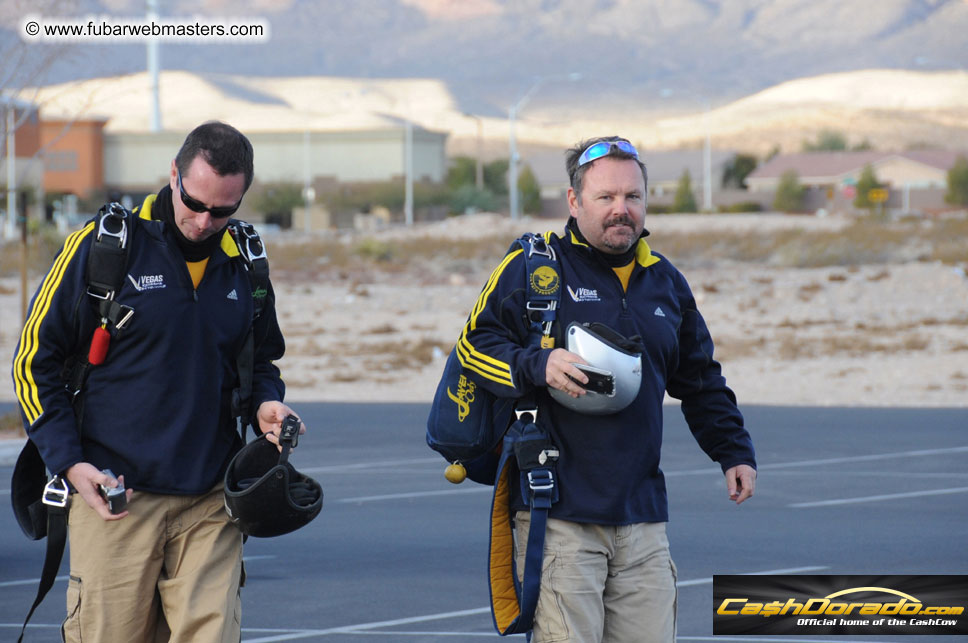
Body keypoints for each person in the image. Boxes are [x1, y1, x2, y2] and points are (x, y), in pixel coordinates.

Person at [456, 136, 757, 642]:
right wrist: (537, 363)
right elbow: (472, 346)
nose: (622, 210)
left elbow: (701, 380)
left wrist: (733, 451)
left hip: (643, 520)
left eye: (632, 197)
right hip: (559, 520)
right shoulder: (534, 270)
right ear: (574, 202)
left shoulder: (666, 282)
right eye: (606, 198)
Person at [11, 121, 302, 642]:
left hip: (212, 499)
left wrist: (267, 405)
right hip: (115, 499)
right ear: (174, 173)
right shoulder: (104, 248)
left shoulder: (246, 262)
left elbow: (261, 362)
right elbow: (33, 360)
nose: (205, 220)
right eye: (195, 202)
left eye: (224, 210)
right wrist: (68, 461)